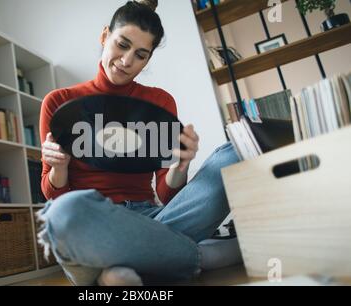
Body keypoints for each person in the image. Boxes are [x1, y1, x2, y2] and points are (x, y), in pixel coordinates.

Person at [38, 0, 242, 286]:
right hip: (96, 223)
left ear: (148, 59)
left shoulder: (159, 101)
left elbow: (167, 193)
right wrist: (58, 167)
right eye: (121, 45)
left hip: (149, 216)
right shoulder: (59, 102)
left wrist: (181, 164)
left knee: (234, 155)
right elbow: (53, 194)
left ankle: (123, 270)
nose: (126, 61)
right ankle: (201, 257)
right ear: (104, 36)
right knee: (63, 214)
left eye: (140, 55)